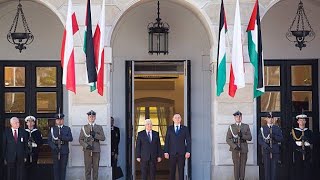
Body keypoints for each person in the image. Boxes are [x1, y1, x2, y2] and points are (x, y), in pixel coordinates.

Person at [79, 110, 106, 180]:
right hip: (87, 150)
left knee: (96, 168)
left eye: (93, 116)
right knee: (87, 168)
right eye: (90, 117)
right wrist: (86, 146)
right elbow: (80, 139)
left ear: (95, 117)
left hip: (96, 150)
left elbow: (103, 138)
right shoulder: (84, 128)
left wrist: (95, 135)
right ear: (88, 118)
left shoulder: (99, 127)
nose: (92, 118)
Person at [226, 110, 252, 180]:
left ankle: (242, 179)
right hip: (235, 149)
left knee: (243, 165)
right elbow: (228, 139)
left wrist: (242, 135)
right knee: (236, 166)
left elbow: (250, 138)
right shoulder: (231, 127)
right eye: (237, 117)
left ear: (241, 117)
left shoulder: (246, 126)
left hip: (243, 148)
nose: (238, 118)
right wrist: (234, 146)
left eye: (240, 116)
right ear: (234, 118)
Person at [164, 113, 191, 180]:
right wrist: (166, 152)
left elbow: (188, 141)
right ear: (173, 119)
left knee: (181, 171)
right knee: (172, 172)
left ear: (181, 119)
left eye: (179, 117)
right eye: (175, 117)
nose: (177, 119)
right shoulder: (169, 129)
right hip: (171, 153)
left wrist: (188, 151)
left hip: (182, 153)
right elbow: (167, 141)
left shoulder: (185, 128)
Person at [258, 112, 283, 180]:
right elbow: (260, 140)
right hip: (266, 150)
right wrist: (266, 146)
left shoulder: (277, 128)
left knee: (274, 169)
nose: (270, 119)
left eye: (272, 118)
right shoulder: (263, 128)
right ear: (266, 119)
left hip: (274, 150)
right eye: (269, 118)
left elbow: (281, 138)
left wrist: (274, 136)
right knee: (267, 169)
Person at [48, 113, 73, 180]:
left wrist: (62, 137)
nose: (59, 121)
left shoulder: (67, 128)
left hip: (64, 150)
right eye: (58, 119)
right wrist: (54, 147)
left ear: (63, 120)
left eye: (61, 119)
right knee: (56, 168)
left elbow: (70, 138)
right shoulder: (52, 129)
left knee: (63, 168)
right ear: (56, 121)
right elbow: (49, 141)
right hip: (55, 150)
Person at [291, 113, 313, 180]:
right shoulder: (294, 131)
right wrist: (298, 149)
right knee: (298, 169)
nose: (302, 122)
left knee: (307, 169)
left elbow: (312, 140)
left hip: (307, 152)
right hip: (298, 152)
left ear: (305, 121)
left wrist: (307, 139)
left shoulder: (308, 131)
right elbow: (291, 143)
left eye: (303, 120)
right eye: (300, 120)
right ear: (298, 121)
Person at [25, 115, 43, 180]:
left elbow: (40, 142)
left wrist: (35, 144)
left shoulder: (37, 132)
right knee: (26, 168)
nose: (30, 123)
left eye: (31, 121)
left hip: (34, 152)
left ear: (34, 123)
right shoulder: (24, 132)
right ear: (26, 123)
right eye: (28, 122)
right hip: (26, 153)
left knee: (34, 167)